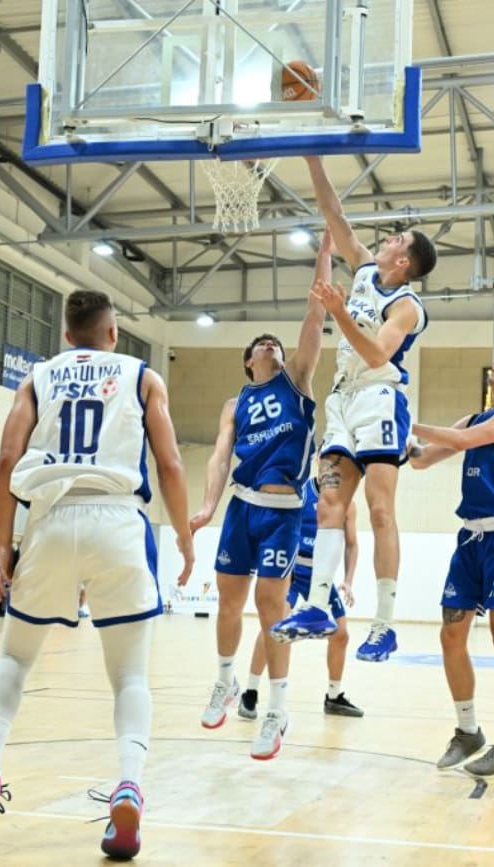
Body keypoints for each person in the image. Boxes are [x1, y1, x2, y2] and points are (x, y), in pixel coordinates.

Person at [0, 289, 194, 862]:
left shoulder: (38, 378)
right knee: (131, 675)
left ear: (66, 335)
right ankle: (128, 785)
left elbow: (7, 462)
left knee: (14, 659)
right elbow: (170, 465)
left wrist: (5, 546)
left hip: (52, 516)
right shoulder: (143, 377)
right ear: (113, 333)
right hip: (119, 520)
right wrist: (183, 535)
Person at [271, 155, 438, 664]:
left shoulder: (406, 305)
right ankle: (320, 606)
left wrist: (340, 313)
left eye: (395, 241)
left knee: (381, 509)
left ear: (404, 261)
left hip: (379, 399)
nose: (385, 241)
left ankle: (384, 625)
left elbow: (376, 353)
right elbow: (333, 214)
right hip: (342, 399)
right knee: (328, 507)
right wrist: (313, 158)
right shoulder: (364, 269)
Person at [189, 234, 326, 760]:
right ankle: (224, 682)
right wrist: (207, 505)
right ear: (248, 361)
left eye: (276, 343)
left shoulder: (297, 382)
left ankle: (277, 709)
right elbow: (220, 456)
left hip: (285, 512)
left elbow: (312, 324)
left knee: (274, 609)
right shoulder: (236, 402)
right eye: (261, 344)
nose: (270, 345)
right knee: (229, 602)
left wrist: (322, 259)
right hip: (242, 507)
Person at [407, 349, 494, 777]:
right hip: (471, 537)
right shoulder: (474, 417)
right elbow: (422, 460)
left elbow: (464, 442)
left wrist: (403, 416)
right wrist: (390, 438)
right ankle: (468, 732)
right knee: (451, 635)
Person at [240, 460, 363, 720]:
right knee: (274, 628)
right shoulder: (298, 492)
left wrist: (348, 580)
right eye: (327, 461)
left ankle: (334, 696)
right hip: (293, 569)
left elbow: (352, 544)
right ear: (318, 462)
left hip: (321, 575)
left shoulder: (347, 502)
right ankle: (250, 691)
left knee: (341, 635)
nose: (332, 468)